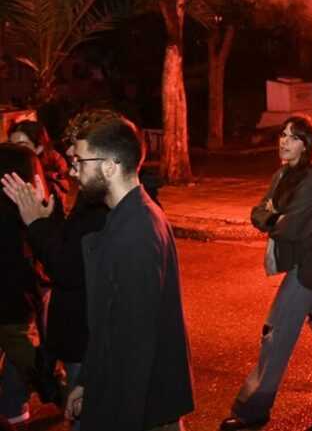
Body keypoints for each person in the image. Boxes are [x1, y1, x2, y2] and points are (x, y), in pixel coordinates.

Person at [221, 115, 312, 430]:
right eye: (283, 135)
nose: (284, 142)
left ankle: (253, 409)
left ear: (307, 144)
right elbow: (258, 212)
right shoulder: (284, 173)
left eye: (293, 137)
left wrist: (273, 216)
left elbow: (288, 228)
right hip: (304, 258)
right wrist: (272, 216)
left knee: (277, 333)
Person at [64, 116, 193, 431]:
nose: (72, 171)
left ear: (109, 167)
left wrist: (114, 412)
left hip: (139, 407)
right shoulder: (128, 216)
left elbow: (135, 340)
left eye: (80, 161)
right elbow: (109, 321)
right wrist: (88, 380)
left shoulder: (136, 231)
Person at [0, 111, 113, 428]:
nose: (74, 169)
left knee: (24, 348)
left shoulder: (57, 191)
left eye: (79, 160)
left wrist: (39, 223)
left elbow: (65, 262)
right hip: (33, 290)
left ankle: (55, 391)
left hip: (33, 291)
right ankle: (17, 403)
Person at [0, 144, 49, 426]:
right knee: (25, 355)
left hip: (15, 301)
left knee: (22, 355)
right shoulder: (24, 212)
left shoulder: (25, 211)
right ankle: (54, 391)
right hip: (17, 301)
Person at [7, 120, 70, 210]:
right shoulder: (9, 167)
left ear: (39, 148)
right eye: (11, 145)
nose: (15, 151)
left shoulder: (53, 171)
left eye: (21, 146)